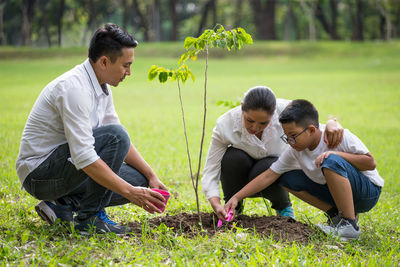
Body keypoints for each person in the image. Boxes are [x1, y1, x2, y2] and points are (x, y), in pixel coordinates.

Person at [16, 23, 167, 235]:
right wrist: (131, 194)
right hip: (40, 174)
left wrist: (151, 176)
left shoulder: (101, 85)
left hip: (66, 167)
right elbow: (86, 155)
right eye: (126, 65)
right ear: (104, 62)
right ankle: (90, 219)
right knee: (118, 141)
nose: (129, 72)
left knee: (139, 180)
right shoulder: (74, 89)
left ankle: (62, 204)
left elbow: (118, 142)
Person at [225, 99, 383, 241]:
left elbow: (370, 163)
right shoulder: (296, 150)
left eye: (293, 135)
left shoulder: (337, 136)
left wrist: (335, 153)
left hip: (367, 192)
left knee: (330, 160)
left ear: (312, 130)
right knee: (287, 178)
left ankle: (349, 226)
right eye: (286, 137)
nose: (290, 142)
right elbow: (269, 175)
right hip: (338, 193)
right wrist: (237, 197)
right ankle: (336, 216)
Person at [201, 86, 344, 221]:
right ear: (241, 107)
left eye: (263, 123)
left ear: (274, 113)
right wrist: (215, 202)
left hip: (272, 171)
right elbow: (211, 170)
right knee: (232, 157)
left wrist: (332, 122)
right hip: (240, 172)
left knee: (272, 164)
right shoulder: (225, 124)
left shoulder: (284, 110)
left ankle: (283, 207)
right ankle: (233, 207)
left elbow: (312, 127)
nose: (255, 127)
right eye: (249, 120)